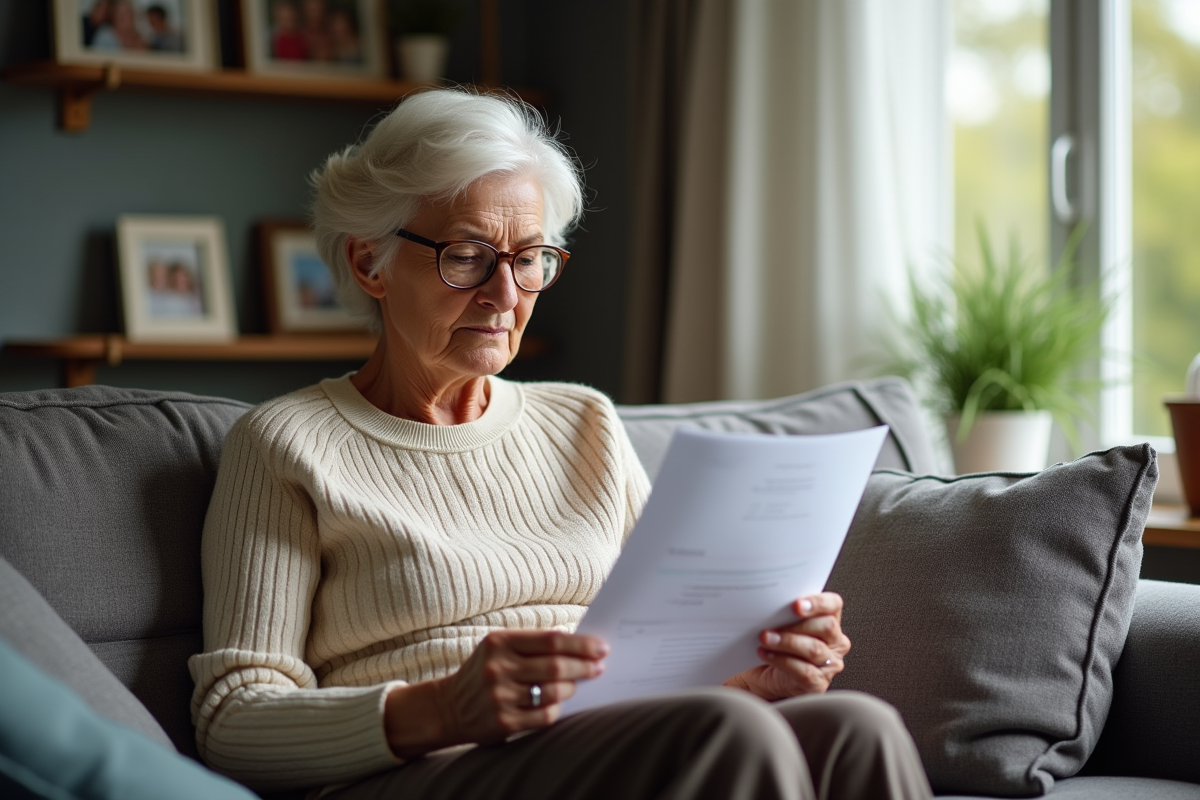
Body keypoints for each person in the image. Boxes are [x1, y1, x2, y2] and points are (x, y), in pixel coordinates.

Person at [188, 88, 933, 800]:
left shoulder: (585, 423)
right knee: (728, 732)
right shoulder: (287, 444)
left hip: (604, 746)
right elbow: (233, 720)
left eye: (530, 258)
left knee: (856, 729)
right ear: (368, 263)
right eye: (468, 255)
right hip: (419, 772)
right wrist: (443, 709)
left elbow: (663, 663)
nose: (505, 294)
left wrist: (750, 674)